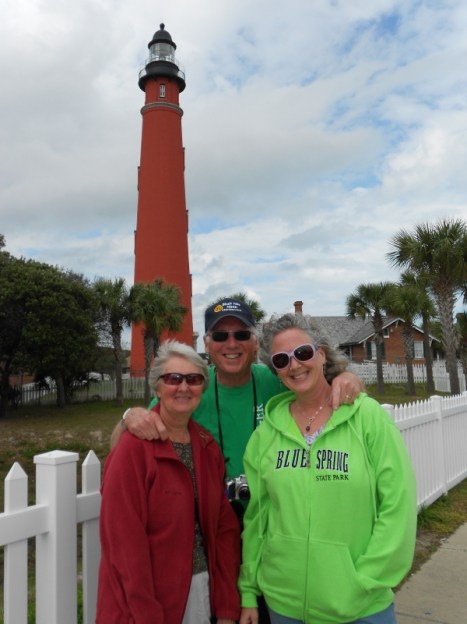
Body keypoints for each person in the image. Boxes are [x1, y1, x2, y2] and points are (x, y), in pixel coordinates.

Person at [110, 299, 364, 624]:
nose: (231, 344)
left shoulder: (278, 380)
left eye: (241, 334)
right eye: (220, 336)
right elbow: (123, 449)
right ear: (206, 344)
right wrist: (128, 415)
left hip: (274, 542)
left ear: (255, 341)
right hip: (218, 544)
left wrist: (351, 378)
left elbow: (320, 383)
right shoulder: (191, 390)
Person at [239, 313, 417, 624]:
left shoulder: (367, 418)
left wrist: (365, 580)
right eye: (282, 360)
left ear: (321, 354)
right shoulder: (264, 435)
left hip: (360, 605)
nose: (294, 365)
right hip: (285, 605)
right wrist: (248, 589)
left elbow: (397, 504)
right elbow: (258, 518)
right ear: (276, 371)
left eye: (303, 353)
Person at [97, 340, 241, 624]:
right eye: (174, 378)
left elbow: (223, 531)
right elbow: (123, 545)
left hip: (198, 593)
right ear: (158, 387)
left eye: (194, 379)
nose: (184, 387)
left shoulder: (207, 447)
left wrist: (226, 607)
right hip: (139, 605)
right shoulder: (134, 448)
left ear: (203, 387)